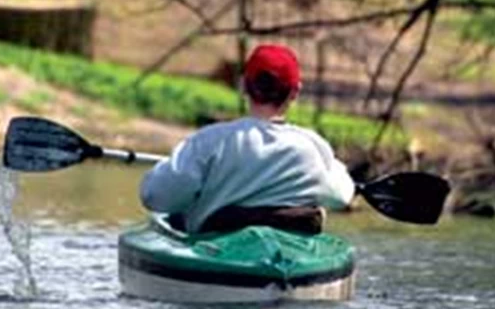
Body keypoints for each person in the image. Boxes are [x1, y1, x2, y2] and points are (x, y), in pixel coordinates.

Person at [139, 43, 356, 234]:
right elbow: (341, 197)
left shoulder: (209, 141)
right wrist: (336, 168)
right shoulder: (313, 147)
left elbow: (155, 196)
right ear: (295, 92)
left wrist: (168, 167)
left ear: (244, 85)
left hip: (216, 259)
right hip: (289, 262)